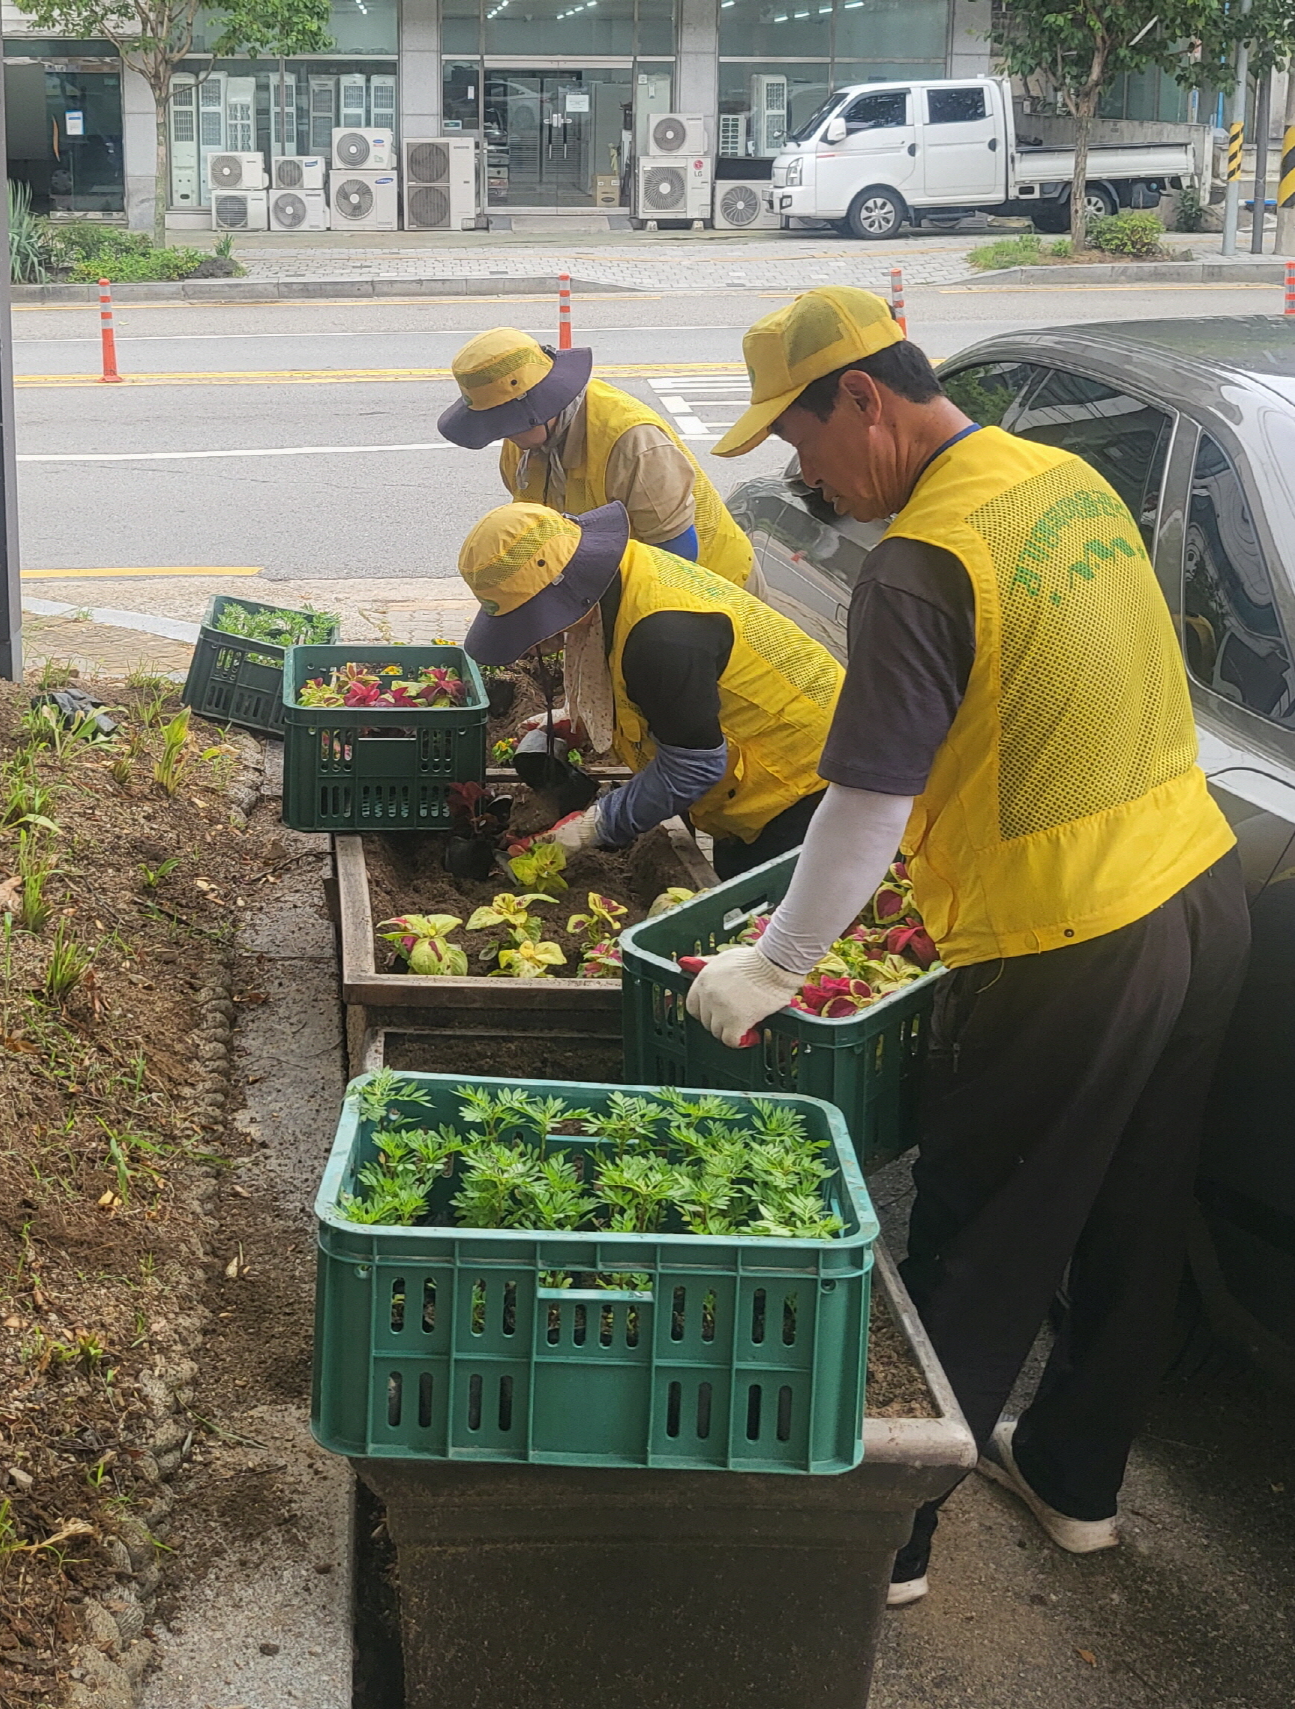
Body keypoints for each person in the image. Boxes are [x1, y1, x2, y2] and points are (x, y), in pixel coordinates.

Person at [687, 285, 1249, 1602]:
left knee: (980, 1233)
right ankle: (1073, 1477)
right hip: (1200, 891)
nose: (802, 473)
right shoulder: (1057, 479)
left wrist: (773, 962)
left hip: (1074, 940)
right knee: (1131, 1209)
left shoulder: (924, 563)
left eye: (802, 437)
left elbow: (868, 797)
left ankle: (885, 1546)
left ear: (865, 399)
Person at [454, 499, 840, 876]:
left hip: (813, 789)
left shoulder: (661, 639)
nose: (533, 639)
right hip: (760, 778)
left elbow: (693, 768)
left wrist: (592, 827)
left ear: (568, 588)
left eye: (530, 621)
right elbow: (653, 690)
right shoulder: (624, 575)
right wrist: (583, 717)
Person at [438, 328, 764, 596]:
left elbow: (676, 556)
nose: (502, 435)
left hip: (708, 588)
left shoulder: (633, 444)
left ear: (543, 404)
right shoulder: (522, 442)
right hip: (618, 576)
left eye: (507, 422)